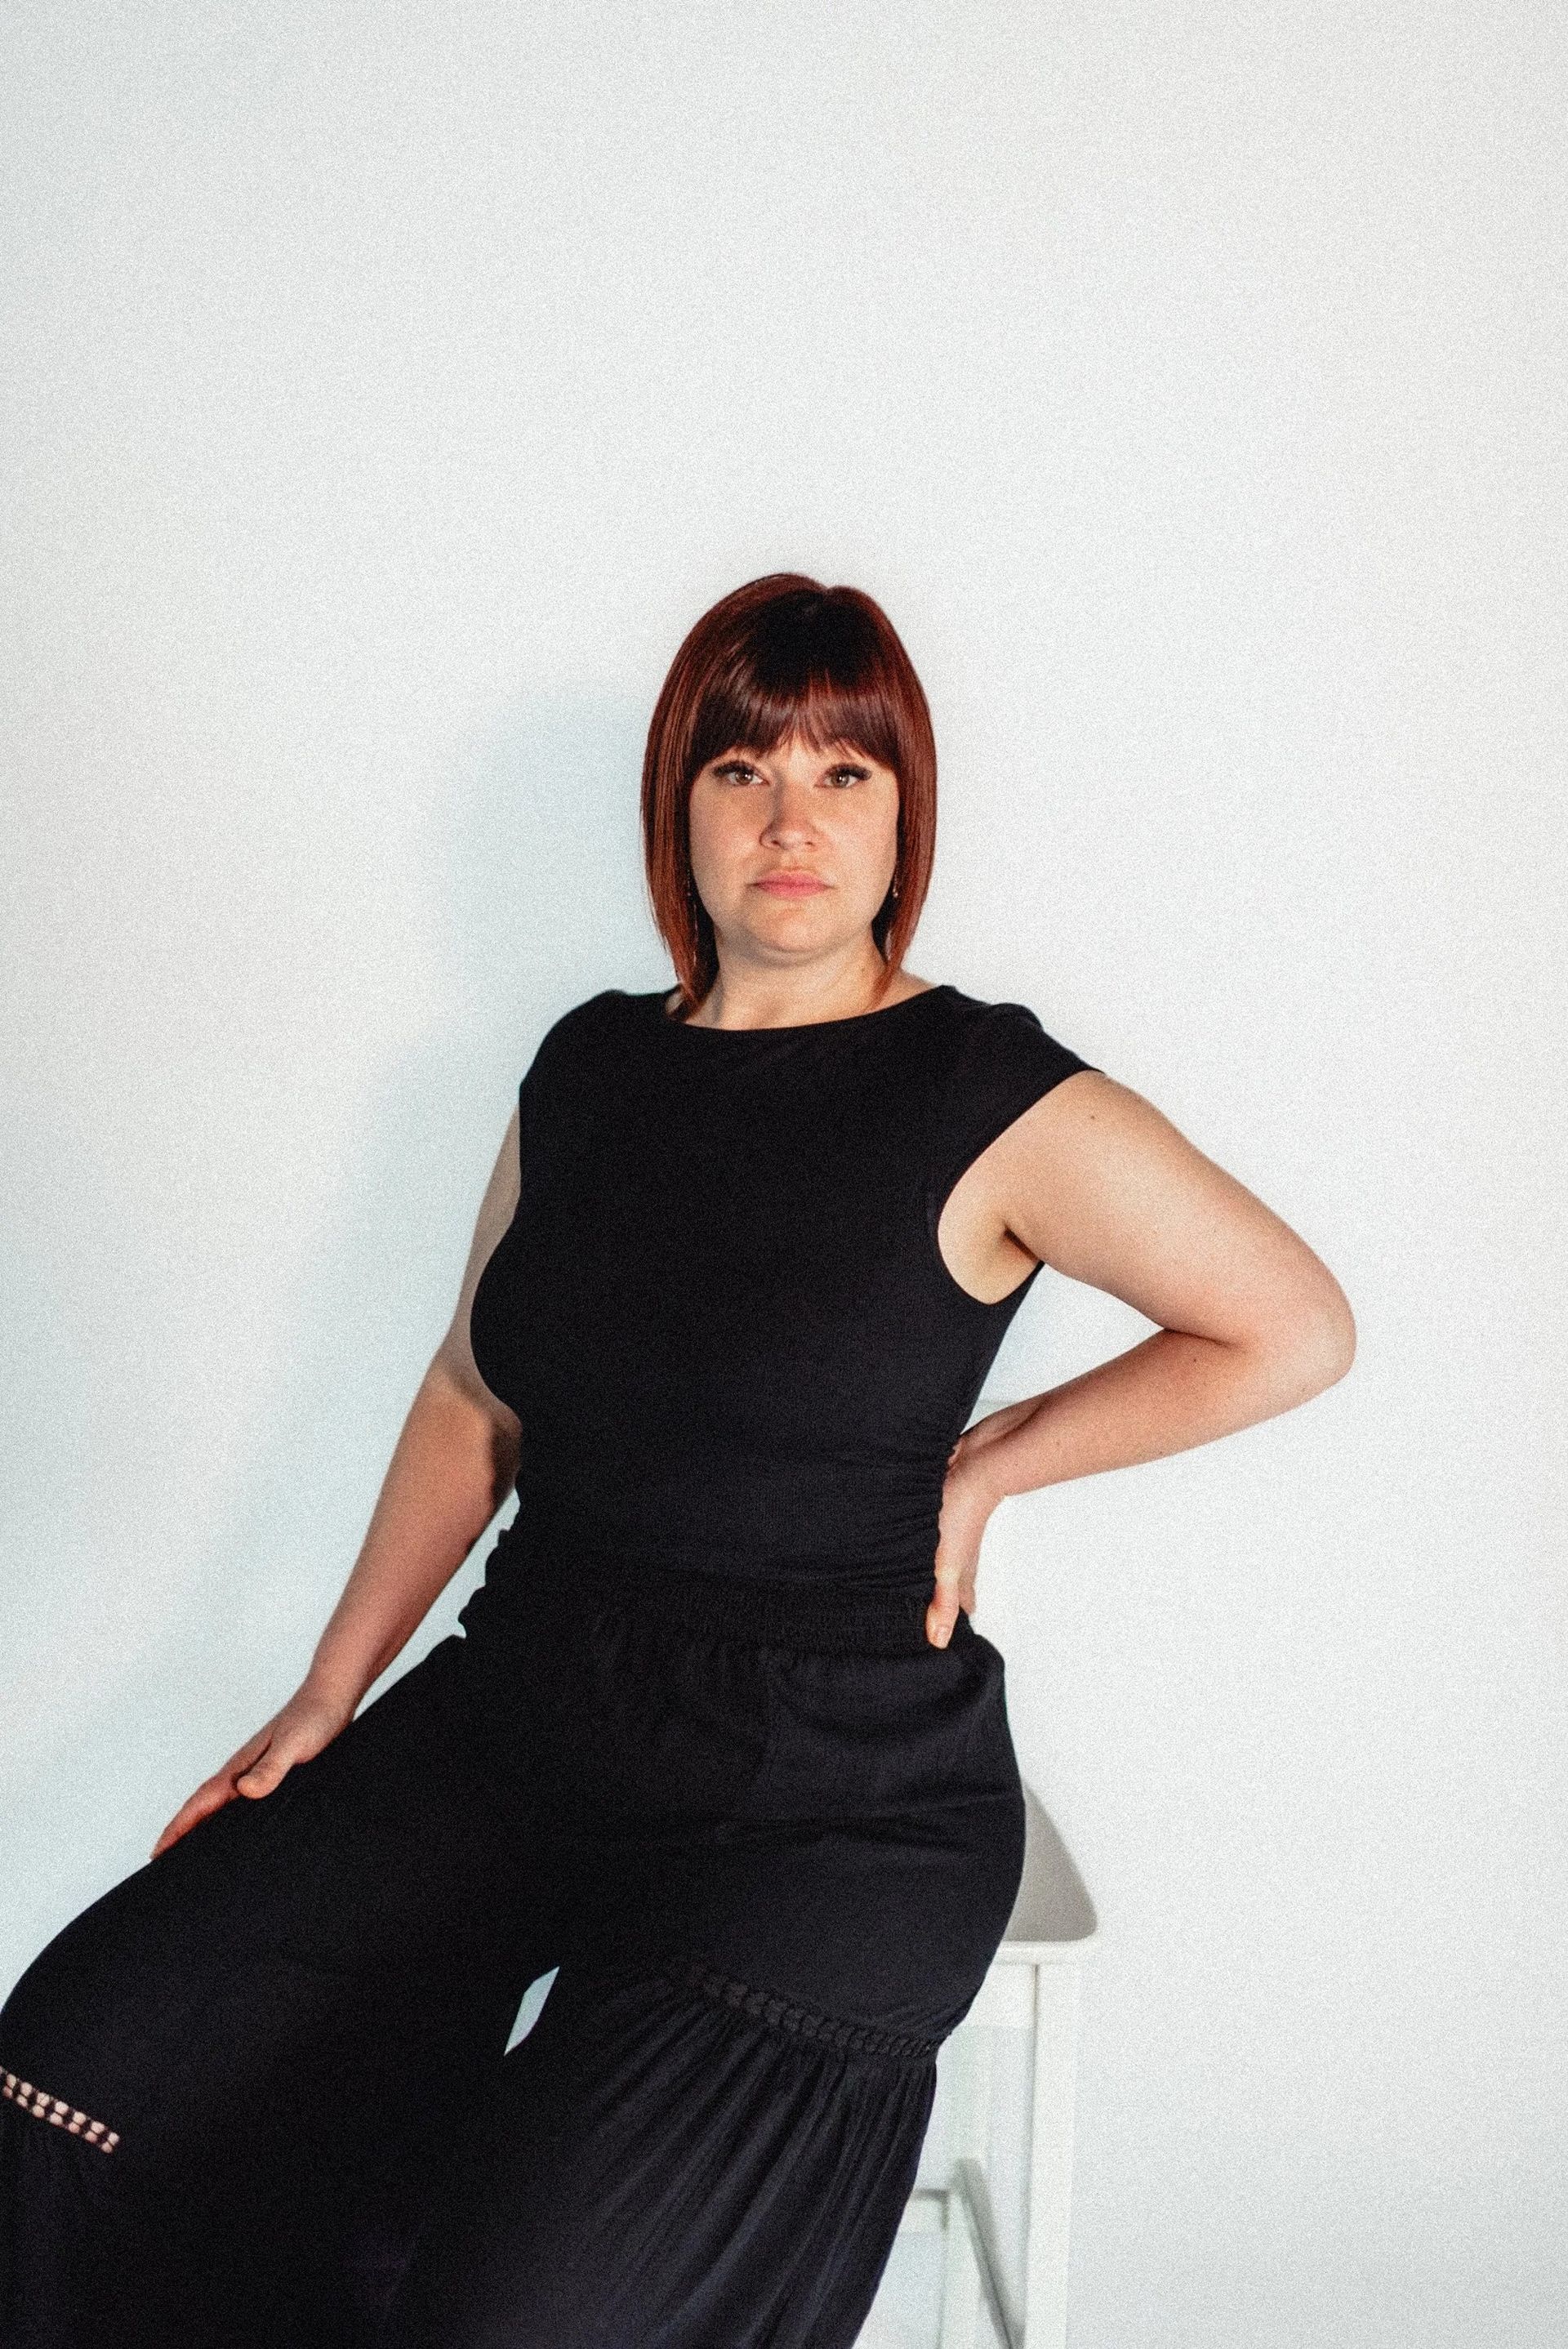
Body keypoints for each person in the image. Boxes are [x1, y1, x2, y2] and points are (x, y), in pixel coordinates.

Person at [0, 572, 1355, 2348]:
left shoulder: (988, 1097)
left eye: (842, 773)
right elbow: (473, 1395)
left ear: (901, 813)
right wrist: (331, 1688)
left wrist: (1000, 1454)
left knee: (523, 2316)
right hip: (529, 1717)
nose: (790, 817)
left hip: (829, 1799)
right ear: (682, 807)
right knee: (69, 2085)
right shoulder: (587, 1071)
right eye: (741, 767)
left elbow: (1291, 1323)